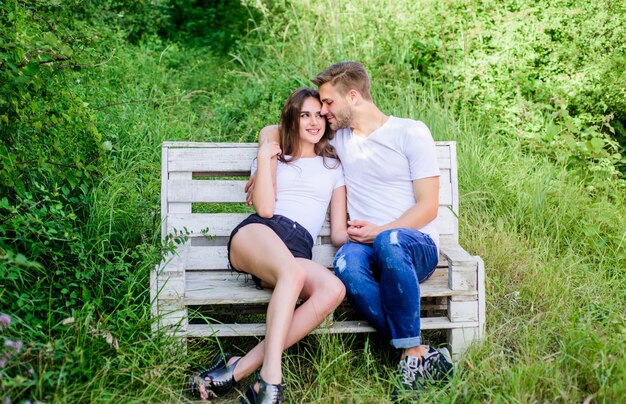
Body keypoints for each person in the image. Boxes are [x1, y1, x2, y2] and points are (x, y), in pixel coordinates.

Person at [255, 62, 453, 396]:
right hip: (364, 245)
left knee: (390, 241)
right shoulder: (339, 138)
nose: (324, 111)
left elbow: (428, 206)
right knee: (346, 263)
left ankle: (412, 356)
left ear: (353, 96)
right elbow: (278, 129)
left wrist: (382, 231)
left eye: (329, 103)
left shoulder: (410, 132)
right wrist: (264, 151)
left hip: (414, 243)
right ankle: (415, 353)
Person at [188, 87, 347, 404]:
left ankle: (239, 368)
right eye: (305, 115)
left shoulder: (334, 167)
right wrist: (264, 158)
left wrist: (369, 232)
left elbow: (339, 233)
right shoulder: (276, 154)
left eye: (319, 115)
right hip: (260, 233)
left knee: (334, 289)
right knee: (292, 273)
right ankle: (271, 378)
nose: (314, 122)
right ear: (293, 118)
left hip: (296, 248)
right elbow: (263, 208)